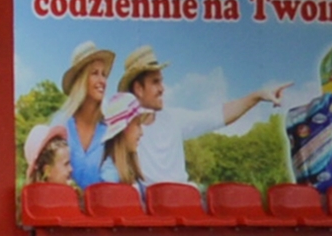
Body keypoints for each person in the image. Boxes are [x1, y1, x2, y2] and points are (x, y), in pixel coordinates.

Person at [108, 47, 289, 188]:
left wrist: (257, 96)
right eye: (155, 82)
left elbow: (217, 116)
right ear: (139, 89)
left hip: (184, 205)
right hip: (153, 214)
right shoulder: (125, 131)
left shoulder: (173, 119)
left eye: (161, 81)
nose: (162, 88)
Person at [56, 43, 132, 188]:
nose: (102, 81)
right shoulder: (61, 124)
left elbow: (114, 179)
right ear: (81, 80)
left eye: (104, 74)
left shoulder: (109, 130)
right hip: (64, 208)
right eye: (95, 73)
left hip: (101, 207)